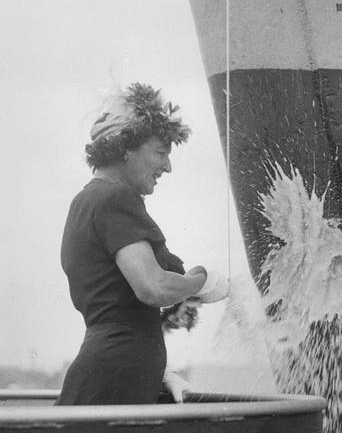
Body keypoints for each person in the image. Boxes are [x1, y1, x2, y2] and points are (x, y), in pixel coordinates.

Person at [56, 82, 228, 405]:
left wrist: (161, 370)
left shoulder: (87, 201)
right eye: (161, 153)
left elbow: (120, 308)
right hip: (116, 376)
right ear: (126, 148)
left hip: (114, 369)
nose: (167, 166)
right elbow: (152, 287)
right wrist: (202, 282)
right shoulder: (115, 198)